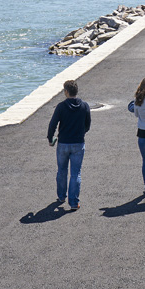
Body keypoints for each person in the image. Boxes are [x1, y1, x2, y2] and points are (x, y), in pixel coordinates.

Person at [47, 79, 92, 210]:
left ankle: (61, 196)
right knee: (75, 173)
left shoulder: (61, 106)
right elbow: (87, 125)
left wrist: (50, 138)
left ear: (66, 92)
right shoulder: (84, 106)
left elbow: (53, 124)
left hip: (63, 143)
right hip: (78, 143)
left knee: (62, 171)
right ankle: (73, 202)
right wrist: (81, 133)